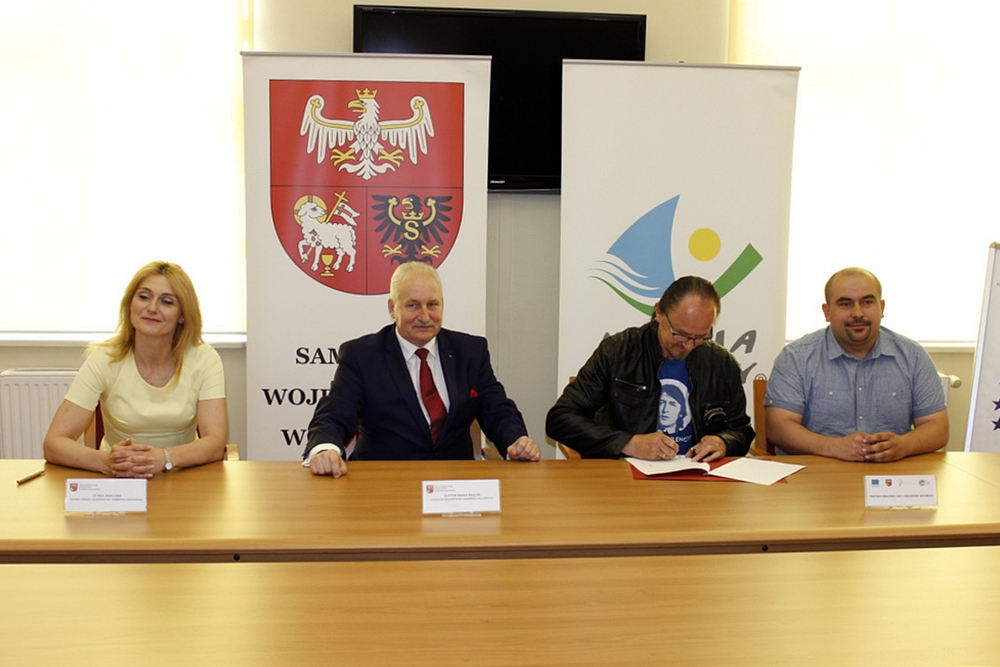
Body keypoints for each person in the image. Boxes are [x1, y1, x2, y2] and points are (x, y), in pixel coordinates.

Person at [304, 261, 540, 477]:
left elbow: (496, 408)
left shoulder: (470, 351)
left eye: (432, 304)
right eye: (413, 305)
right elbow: (335, 411)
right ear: (392, 308)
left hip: (455, 483)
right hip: (384, 482)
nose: (425, 316)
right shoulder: (362, 356)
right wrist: (325, 449)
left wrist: (516, 441)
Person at [43, 261, 228, 477]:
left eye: (166, 302)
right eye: (144, 297)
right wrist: (108, 462)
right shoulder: (104, 358)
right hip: (119, 477)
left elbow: (215, 443)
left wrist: (164, 458)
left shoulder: (205, 359)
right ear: (130, 304)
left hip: (182, 474)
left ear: (182, 315)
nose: (152, 308)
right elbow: (54, 442)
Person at [546, 276, 753, 461]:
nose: (689, 346)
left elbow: (741, 431)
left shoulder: (721, 363)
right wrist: (629, 443)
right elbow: (560, 419)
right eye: (680, 334)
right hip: (626, 477)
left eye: (700, 337)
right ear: (659, 313)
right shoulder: (618, 352)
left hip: (698, 479)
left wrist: (723, 442)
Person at [765, 267, 948, 462]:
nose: (858, 313)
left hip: (891, 474)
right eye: (845, 304)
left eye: (867, 302)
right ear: (827, 312)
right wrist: (833, 447)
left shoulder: (913, 356)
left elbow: (937, 427)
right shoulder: (797, 357)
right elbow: (778, 427)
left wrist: (904, 445)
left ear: (881, 308)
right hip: (817, 474)